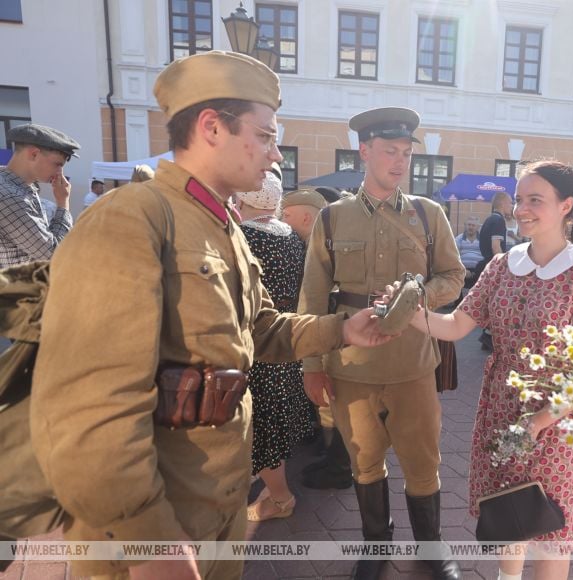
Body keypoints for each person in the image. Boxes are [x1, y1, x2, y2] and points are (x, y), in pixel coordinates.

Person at [29, 51, 391, 580]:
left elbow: (260, 329)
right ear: (212, 127)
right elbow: (87, 405)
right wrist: (151, 544)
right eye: (266, 137)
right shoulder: (132, 218)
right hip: (155, 521)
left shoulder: (220, 225)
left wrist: (342, 328)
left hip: (214, 498)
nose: (275, 157)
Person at [405, 160, 573, 580]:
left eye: (535, 200)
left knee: (550, 524)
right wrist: (404, 310)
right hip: (500, 411)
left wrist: (540, 420)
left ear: (566, 205)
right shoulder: (503, 266)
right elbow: (456, 325)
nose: (522, 209)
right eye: (520, 199)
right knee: (508, 514)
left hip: (551, 422)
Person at [298, 106, 464, 580]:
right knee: (365, 461)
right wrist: (312, 363)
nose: (400, 161)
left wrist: (417, 299)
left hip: (413, 364)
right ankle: (375, 546)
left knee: (422, 460)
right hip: (351, 365)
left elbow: (453, 276)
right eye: (390, 151)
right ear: (364, 151)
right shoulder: (331, 219)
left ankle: (430, 548)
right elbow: (312, 294)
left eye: (407, 153)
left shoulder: (428, 215)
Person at [235, 167, 315, 522]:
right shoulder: (291, 237)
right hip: (290, 340)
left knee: (262, 426)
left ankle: (281, 498)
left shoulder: (239, 237)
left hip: (257, 345)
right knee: (278, 421)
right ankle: (272, 485)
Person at [279, 188, 355, 490]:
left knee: (333, 398)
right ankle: (333, 458)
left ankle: (339, 466)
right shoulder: (317, 238)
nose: (283, 220)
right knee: (328, 399)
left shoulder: (324, 240)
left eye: (288, 215)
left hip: (334, 331)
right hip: (328, 329)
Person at [0, 123, 77, 269]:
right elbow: (57, 254)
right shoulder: (10, 196)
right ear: (34, 154)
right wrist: (63, 202)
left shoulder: (18, 188)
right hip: (22, 290)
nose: (60, 172)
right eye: (57, 164)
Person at [477, 190, 513, 350]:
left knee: (493, 303)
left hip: (487, 264)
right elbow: (496, 246)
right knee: (499, 304)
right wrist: (503, 268)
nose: (512, 206)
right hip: (495, 266)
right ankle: (489, 338)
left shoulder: (489, 219)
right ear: (503, 203)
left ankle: (487, 336)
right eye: (510, 202)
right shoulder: (499, 221)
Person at [455, 215, 484, 288]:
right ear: (465, 225)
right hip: (463, 270)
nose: (470, 227)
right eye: (469, 225)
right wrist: (463, 270)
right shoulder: (459, 239)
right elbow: (455, 257)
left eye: (473, 225)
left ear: (478, 227)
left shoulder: (484, 240)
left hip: (479, 272)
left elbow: (486, 257)